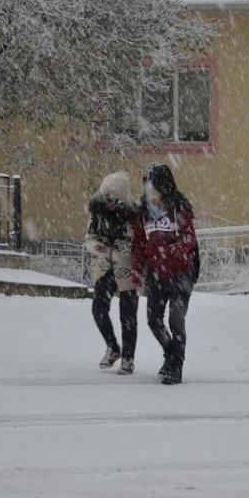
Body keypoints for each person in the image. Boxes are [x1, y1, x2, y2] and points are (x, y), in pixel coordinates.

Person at [132, 163, 199, 385]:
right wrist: (136, 270)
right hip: (157, 275)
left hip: (181, 273)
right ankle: (170, 353)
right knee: (153, 320)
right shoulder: (143, 214)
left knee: (176, 319)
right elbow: (139, 245)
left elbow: (190, 238)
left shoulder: (178, 208)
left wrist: (173, 249)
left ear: (164, 187)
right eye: (147, 189)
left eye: (154, 189)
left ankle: (176, 366)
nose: (150, 194)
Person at [86, 172, 139, 374]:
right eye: (106, 197)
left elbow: (137, 244)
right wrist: (96, 246)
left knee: (128, 315)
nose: (110, 202)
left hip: (128, 269)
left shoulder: (134, 216)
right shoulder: (96, 212)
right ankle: (112, 347)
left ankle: (128, 357)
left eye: (114, 198)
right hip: (105, 266)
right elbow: (90, 236)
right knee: (98, 308)